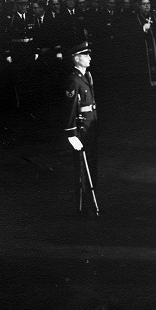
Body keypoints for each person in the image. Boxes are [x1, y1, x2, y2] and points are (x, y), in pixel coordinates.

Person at [64, 41, 99, 216]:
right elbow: (70, 109)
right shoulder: (74, 81)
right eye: (86, 55)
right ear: (77, 59)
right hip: (81, 131)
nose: (90, 58)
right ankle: (84, 205)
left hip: (90, 129)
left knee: (91, 166)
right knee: (82, 169)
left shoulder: (87, 76)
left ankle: (90, 202)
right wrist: (71, 134)